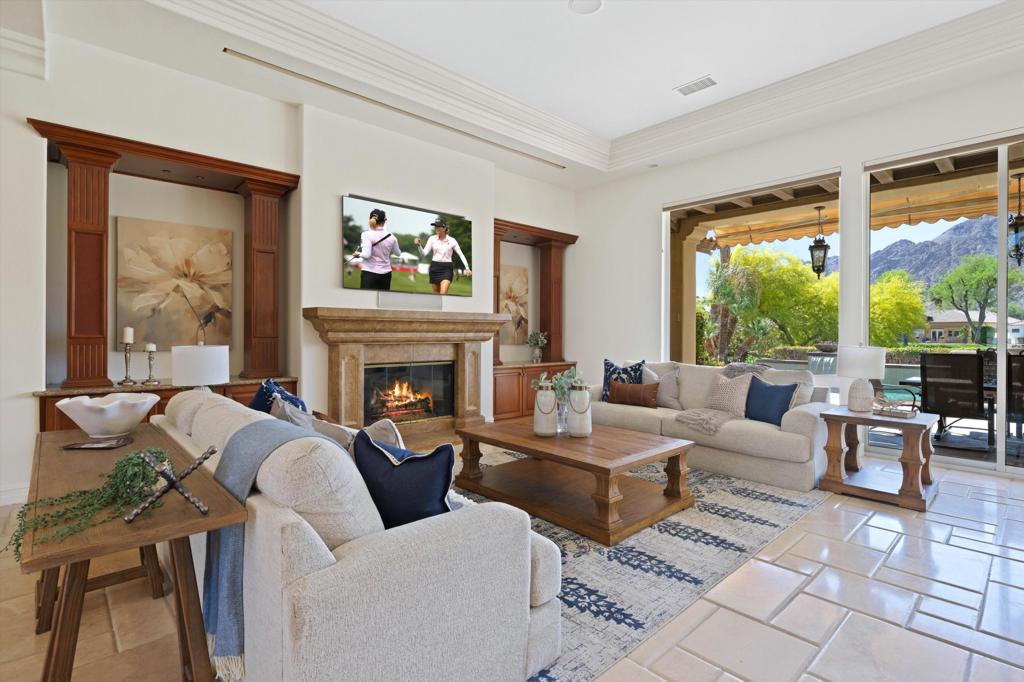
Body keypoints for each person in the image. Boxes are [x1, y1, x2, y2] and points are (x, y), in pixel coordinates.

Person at [415, 218, 472, 294]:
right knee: (436, 294)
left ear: (444, 228)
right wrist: (419, 246)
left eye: (438, 226)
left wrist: (467, 268)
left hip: (447, 268)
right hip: (434, 267)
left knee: (443, 292)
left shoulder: (452, 240)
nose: (436, 228)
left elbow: (461, 255)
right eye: (435, 226)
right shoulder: (432, 239)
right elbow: (423, 254)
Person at [352, 208, 401, 290]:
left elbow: (367, 255)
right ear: (384, 221)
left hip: (369, 272)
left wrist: (358, 254)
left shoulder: (366, 234)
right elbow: (398, 254)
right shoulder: (392, 237)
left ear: (370, 219)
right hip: (386, 274)